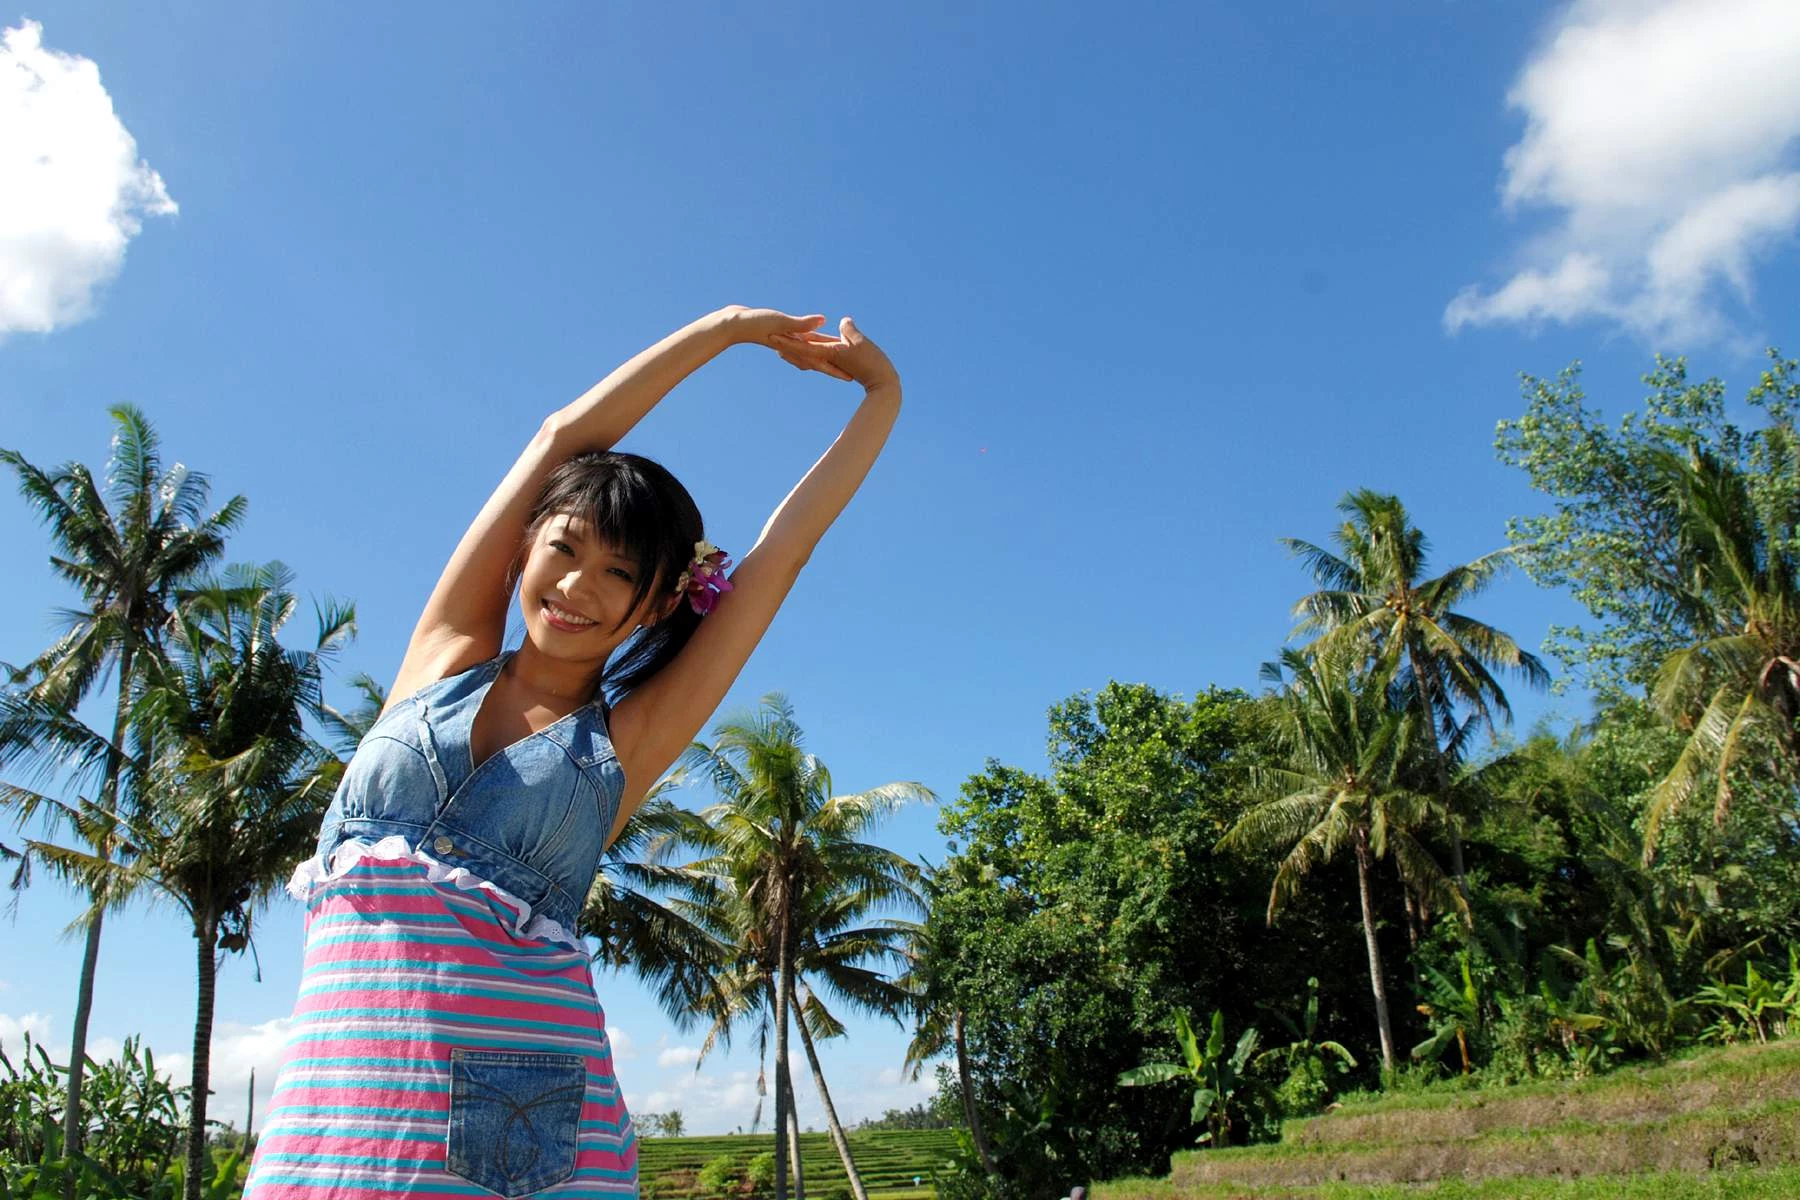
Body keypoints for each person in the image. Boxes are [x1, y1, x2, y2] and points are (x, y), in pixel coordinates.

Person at [241, 306, 902, 1198]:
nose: (578, 587)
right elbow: (562, 435)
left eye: (620, 574)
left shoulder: (623, 743)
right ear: (527, 547)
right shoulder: (440, 656)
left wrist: (881, 395)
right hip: (333, 1130)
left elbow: (783, 554)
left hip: (526, 1129)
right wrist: (729, 329)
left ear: (661, 603)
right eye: (566, 548)